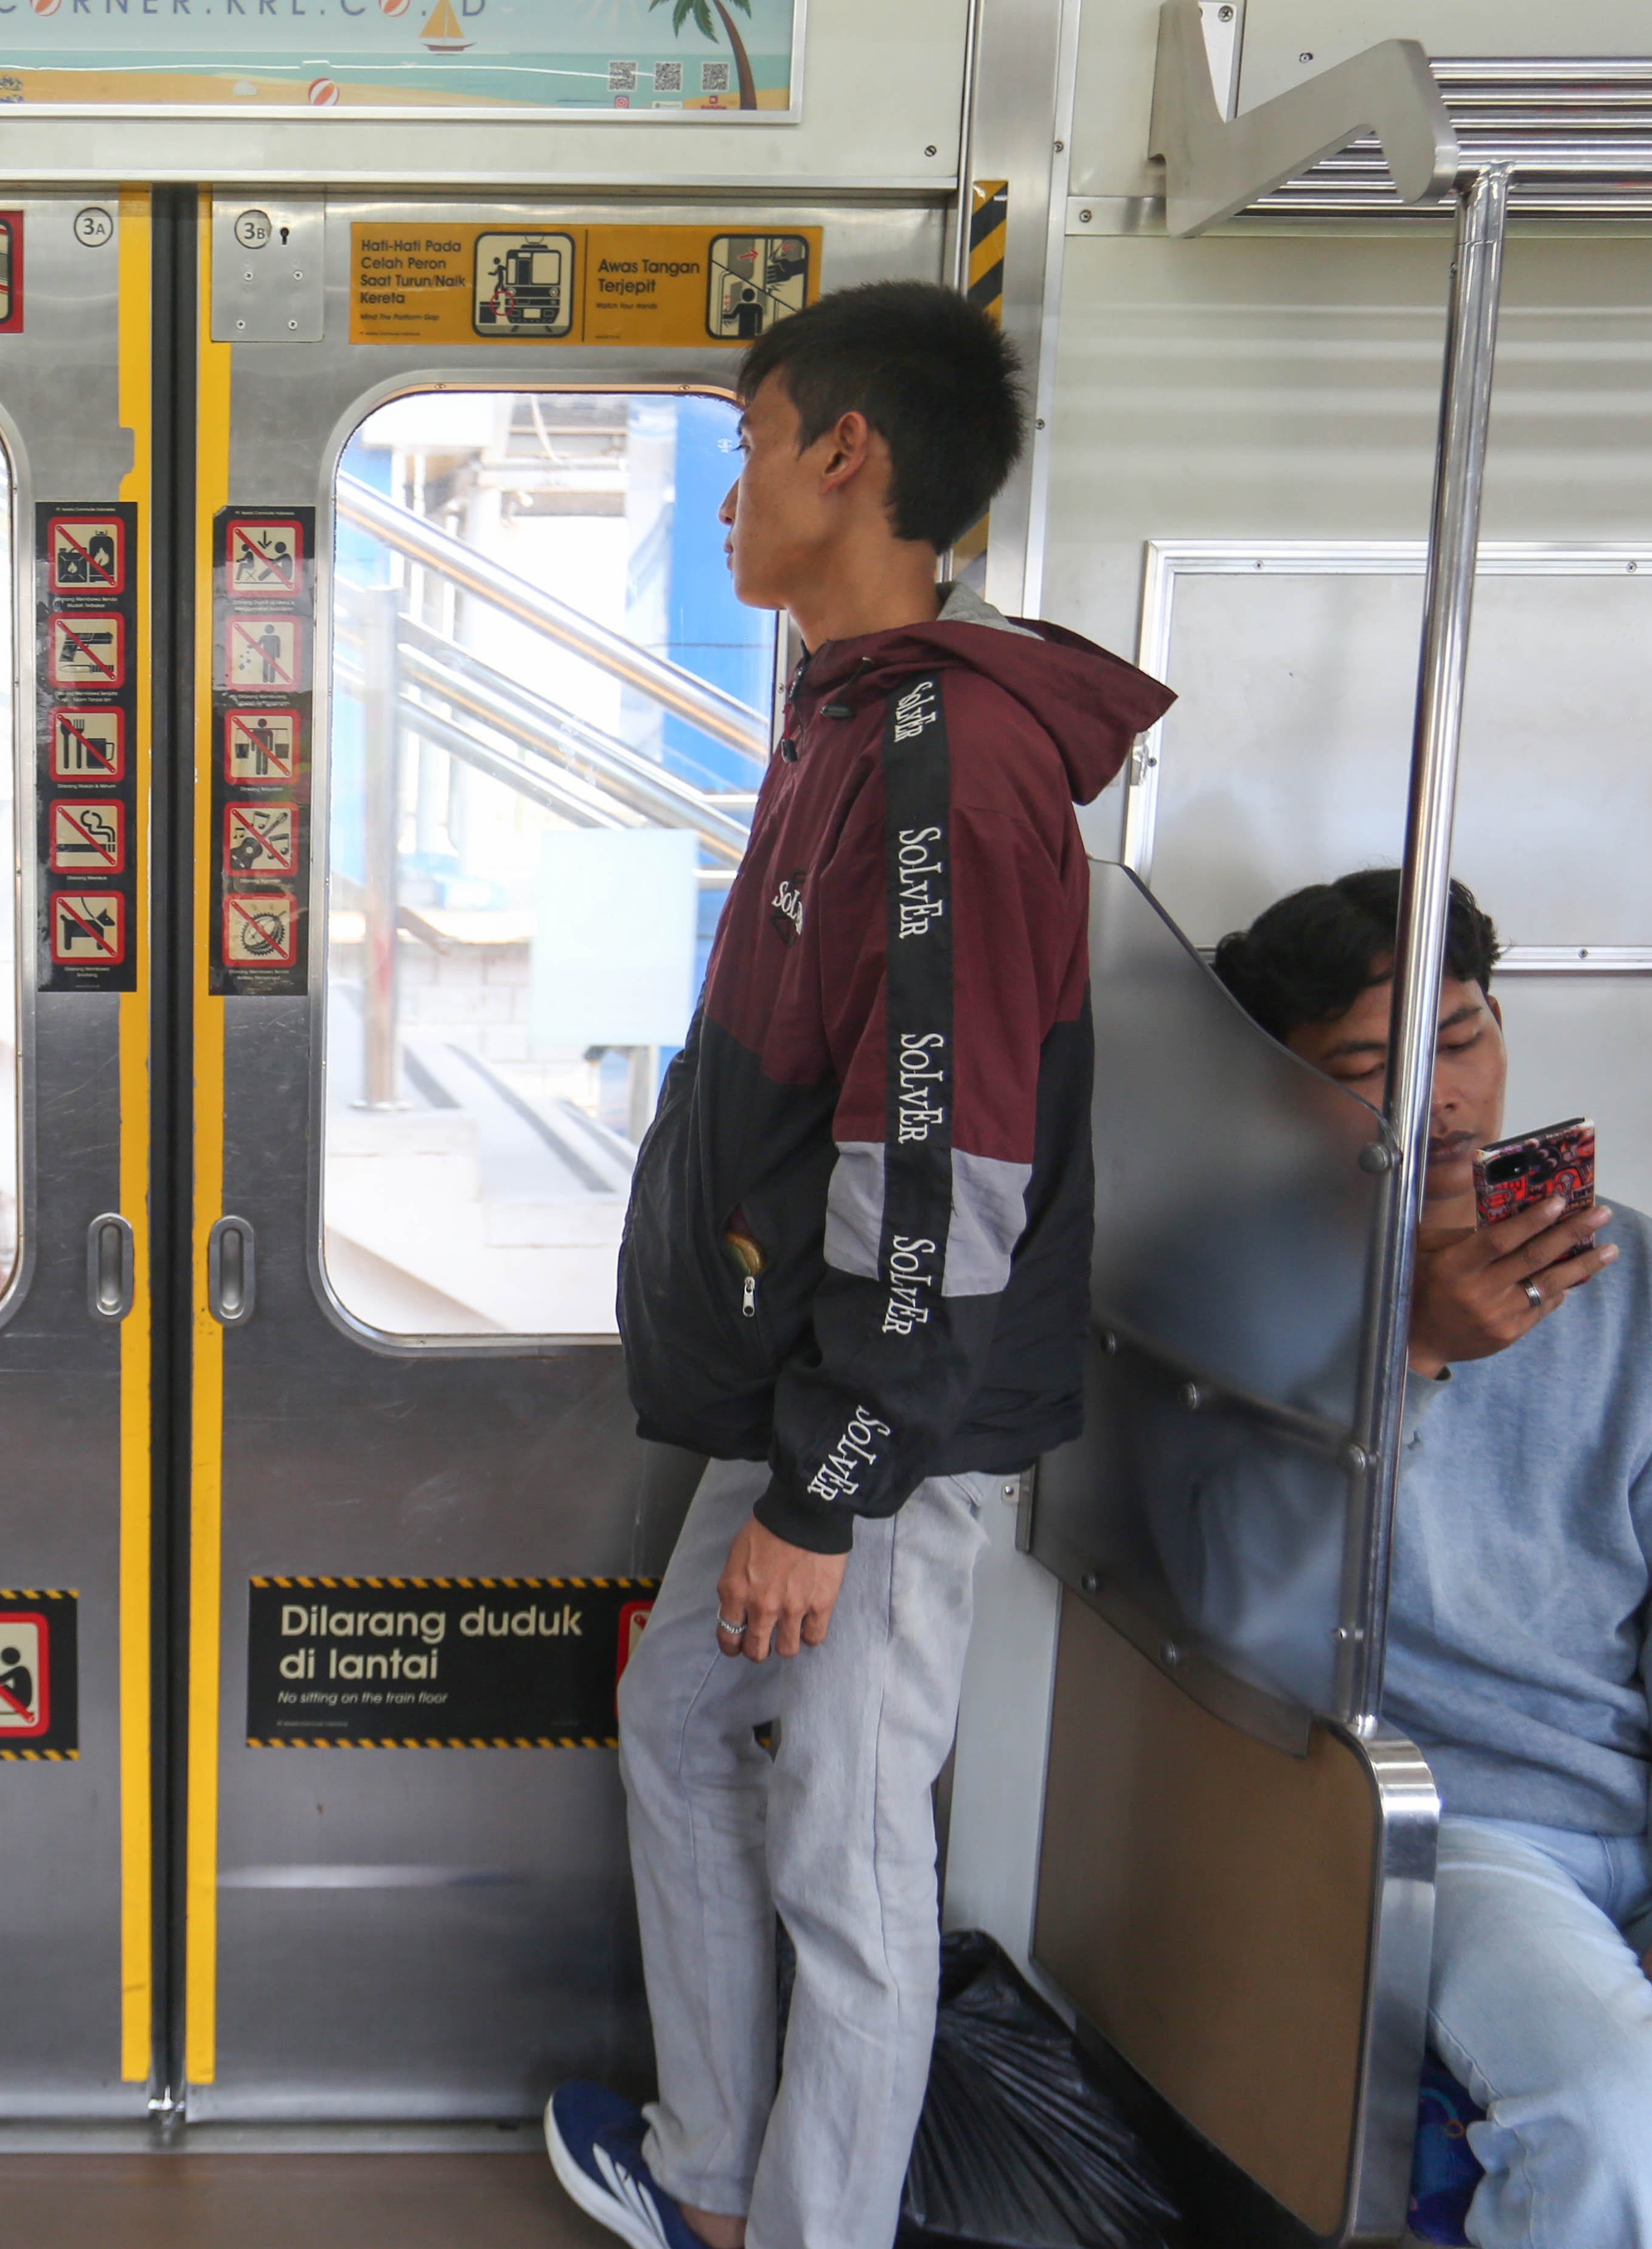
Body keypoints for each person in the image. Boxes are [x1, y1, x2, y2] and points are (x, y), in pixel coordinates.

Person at [554, 280, 1176, 2249]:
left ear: (847, 455)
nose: (723, 491)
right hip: (805, 1392)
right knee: (679, 1722)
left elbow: (939, 1160)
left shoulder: (942, 760)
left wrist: (825, 1493)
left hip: (883, 1431)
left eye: (745, 445)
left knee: (846, 1851)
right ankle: (715, 2177)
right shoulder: (846, 715)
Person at [1211, 870, 1652, 2244]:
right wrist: (1413, 1358)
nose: (1440, 1100)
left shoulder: (1632, 1274)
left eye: (1461, 1038)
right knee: (1627, 2134)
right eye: (1368, 1067)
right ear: (1280, 1094)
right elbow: (1245, 1607)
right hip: (1442, 1817)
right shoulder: (1232, 1281)